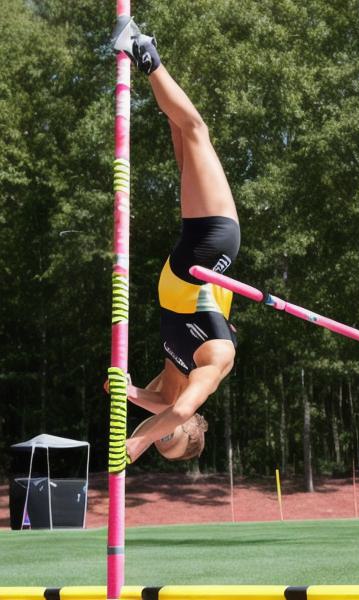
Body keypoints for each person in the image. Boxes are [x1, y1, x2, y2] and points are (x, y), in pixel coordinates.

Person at [108, 18, 239, 463]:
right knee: (195, 130)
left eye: (161, 442)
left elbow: (161, 406)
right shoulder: (212, 366)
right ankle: (142, 49)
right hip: (210, 248)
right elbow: (177, 410)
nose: (161, 435)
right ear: (193, 425)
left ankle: (146, 52)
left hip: (189, 261)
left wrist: (127, 394)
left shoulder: (168, 379)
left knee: (187, 131)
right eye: (171, 438)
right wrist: (140, 443)